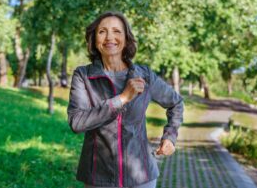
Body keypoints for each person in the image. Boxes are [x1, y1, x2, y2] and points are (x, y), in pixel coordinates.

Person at [67, 11, 184, 188]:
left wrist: (170, 136)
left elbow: (176, 102)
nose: (109, 37)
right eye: (102, 32)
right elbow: (77, 122)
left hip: (141, 177)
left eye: (117, 31)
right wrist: (122, 98)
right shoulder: (83, 76)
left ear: (126, 39)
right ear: (94, 39)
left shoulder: (145, 76)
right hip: (99, 179)